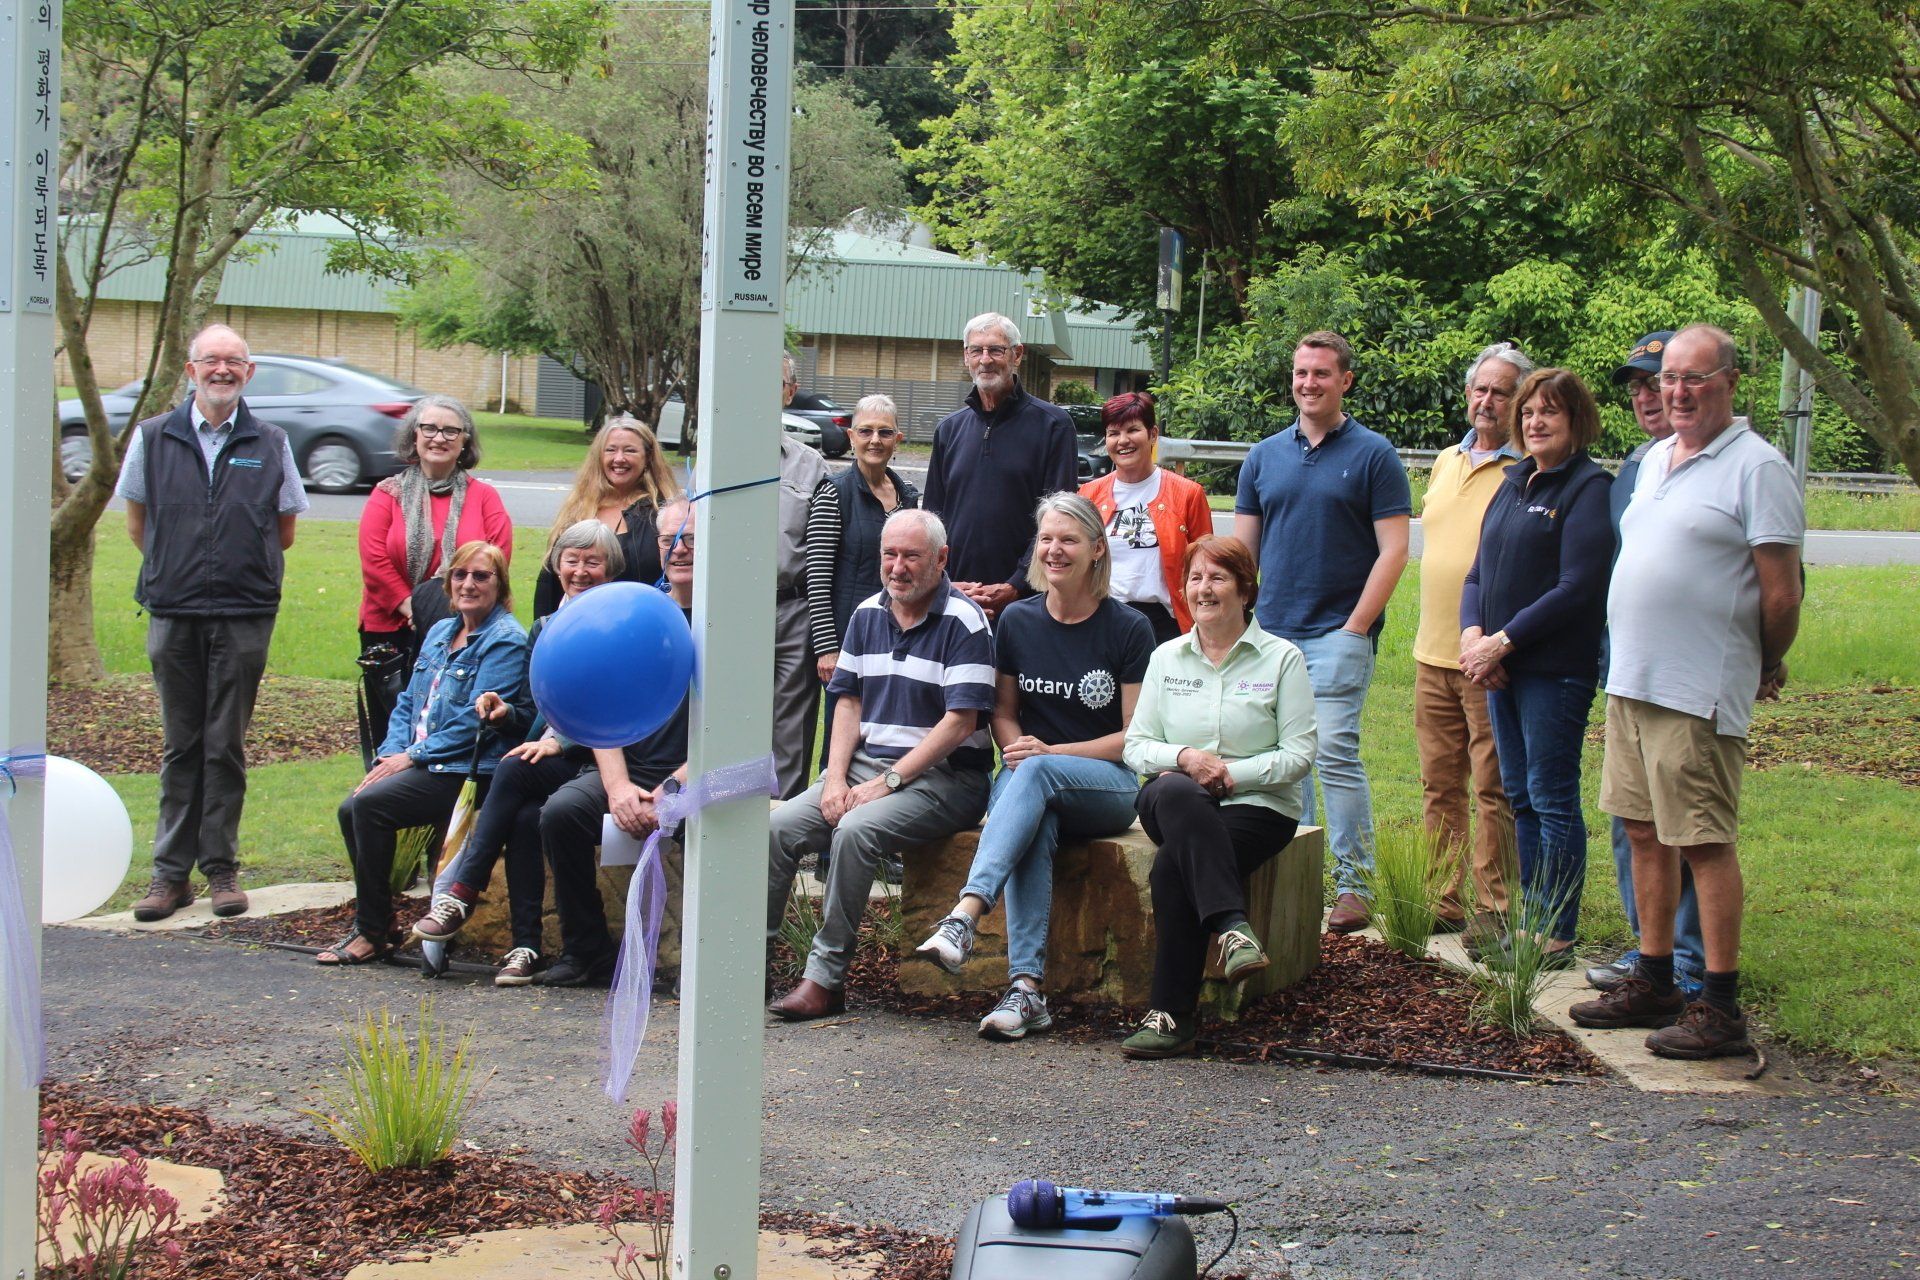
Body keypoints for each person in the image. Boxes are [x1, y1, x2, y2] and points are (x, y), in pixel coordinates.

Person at [1571, 325, 1805, 1059]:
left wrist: (1760, 661)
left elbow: (1782, 593)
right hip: (1633, 682)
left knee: (1702, 841)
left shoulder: (1758, 468)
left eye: (1695, 378)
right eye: (1669, 378)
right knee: (1642, 831)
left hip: (1696, 688)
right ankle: (1655, 977)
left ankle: (1721, 1006)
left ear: (1731, 382)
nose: (1676, 392)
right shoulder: (1656, 461)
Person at [914, 493, 1154, 1040]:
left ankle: (965, 915)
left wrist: (1047, 756)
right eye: (1046, 539)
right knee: (1034, 816)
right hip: (1031, 780)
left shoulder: (1129, 628)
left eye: (1068, 540)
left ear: (1097, 549)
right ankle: (1026, 991)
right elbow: (1002, 712)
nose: (1054, 550)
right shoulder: (1018, 622)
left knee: (1036, 778)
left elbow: (1134, 738)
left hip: (1108, 786)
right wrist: (1021, 750)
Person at [767, 509, 995, 1020]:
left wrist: (888, 781)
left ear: (940, 559)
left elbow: (960, 722)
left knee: (855, 831)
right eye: (889, 555)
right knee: (777, 828)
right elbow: (846, 702)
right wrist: (836, 778)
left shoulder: (966, 622)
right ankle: (751, 966)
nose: (898, 567)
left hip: (947, 778)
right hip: (868, 767)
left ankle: (824, 979)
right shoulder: (867, 613)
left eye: (911, 556)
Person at [117, 323, 310, 922]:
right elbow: (138, 524)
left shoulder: (271, 440)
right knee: (182, 745)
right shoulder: (153, 437)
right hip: (174, 611)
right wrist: (179, 570)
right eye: (211, 360)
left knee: (225, 744)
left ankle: (220, 869)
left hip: (244, 612)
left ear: (248, 373)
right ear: (190, 368)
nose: (222, 370)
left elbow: (284, 529)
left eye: (234, 362)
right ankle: (169, 876)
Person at [1233, 331, 1411, 935]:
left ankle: (1355, 884)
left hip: (1337, 631)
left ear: (1345, 381)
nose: (1309, 384)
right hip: (1273, 634)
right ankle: (1295, 870)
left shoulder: (1373, 455)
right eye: (1301, 373)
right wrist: (1243, 624)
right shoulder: (1264, 456)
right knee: (1282, 762)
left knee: (1334, 755)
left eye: (1322, 374)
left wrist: (1355, 626)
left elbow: (1394, 551)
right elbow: (1241, 555)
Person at [1119, 537, 1317, 1059]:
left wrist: (1229, 775)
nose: (1203, 589)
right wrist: (1187, 758)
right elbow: (1137, 747)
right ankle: (1231, 926)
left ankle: (1171, 1017)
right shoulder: (1166, 658)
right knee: (1179, 790)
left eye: (1218, 578)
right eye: (1195, 579)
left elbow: (1299, 755)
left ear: (1246, 590)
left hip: (1258, 807)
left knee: (1170, 871)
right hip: (1171, 798)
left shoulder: (1282, 659)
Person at [409, 520, 624, 985]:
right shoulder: (544, 626)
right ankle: (531, 947)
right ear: (556, 565)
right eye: (572, 560)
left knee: (512, 772)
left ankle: (464, 889)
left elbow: (614, 702)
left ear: (612, 571)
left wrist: (558, 742)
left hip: (603, 756)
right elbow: (532, 707)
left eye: (593, 562)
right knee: (527, 817)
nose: (581, 571)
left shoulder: (619, 623)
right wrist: (506, 712)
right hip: (550, 755)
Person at [1458, 369, 1614, 968]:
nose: (1536, 422)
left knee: (1552, 799)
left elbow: (1578, 588)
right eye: (1528, 414)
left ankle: (1556, 932)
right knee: (1519, 796)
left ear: (1576, 421)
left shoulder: (1587, 488)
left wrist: (1504, 641)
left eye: (1550, 412)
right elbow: (1478, 574)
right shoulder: (1514, 480)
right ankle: (1530, 919)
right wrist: (1475, 637)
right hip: (1502, 668)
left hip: (1553, 670)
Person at [321, 542, 530, 964]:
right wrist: (390, 753)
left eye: (481, 576)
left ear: (500, 586)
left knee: (369, 807)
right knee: (352, 808)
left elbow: (477, 723)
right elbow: (408, 701)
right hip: (423, 759)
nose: (468, 584)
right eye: (460, 575)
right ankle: (380, 923)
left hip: (468, 769)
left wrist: (412, 757)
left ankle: (371, 931)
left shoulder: (505, 640)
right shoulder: (439, 631)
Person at [1586, 331, 1706, 1000]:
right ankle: (1648, 955)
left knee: (1684, 823)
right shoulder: (1636, 467)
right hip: (1627, 670)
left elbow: (1776, 578)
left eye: (1655, 381)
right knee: (1632, 821)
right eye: (1637, 385)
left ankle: (1688, 962)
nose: (1647, 395)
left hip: (1689, 678)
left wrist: (1764, 657)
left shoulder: (1726, 465)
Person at [537, 498, 700, 987]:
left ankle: (697, 961)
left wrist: (671, 789)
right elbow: (598, 707)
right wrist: (618, 789)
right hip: (625, 769)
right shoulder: (631, 611)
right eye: (669, 539)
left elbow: (733, 729)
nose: (678, 549)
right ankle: (586, 952)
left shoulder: (729, 626)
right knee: (561, 813)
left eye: (690, 538)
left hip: (696, 774)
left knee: (718, 827)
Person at [1413, 345, 1528, 936]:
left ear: (1520, 401)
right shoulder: (1445, 461)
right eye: (1480, 389)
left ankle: (1494, 906)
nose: (1487, 401)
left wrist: (1502, 644)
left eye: (1502, 391)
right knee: (1439, 784)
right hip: (1432, 652)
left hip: (1487, 658)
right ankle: (1442, 896)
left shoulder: (1528, 468)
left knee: (1493, 786)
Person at [357, 395, 513, 731]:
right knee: (394, 728)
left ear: (464, 441)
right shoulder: (388, 494)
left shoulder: (484, 497)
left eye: (450, 431)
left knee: (449, 725)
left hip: (465, 628)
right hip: (391, 628)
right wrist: (415, 609)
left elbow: (497, 556)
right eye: (429, 428)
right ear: (414, 435)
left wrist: (448, 613)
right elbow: (374, 559)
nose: (438, 438)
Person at [922, 312, 1078, 618]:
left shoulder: (1053, 426)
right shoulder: (949, 430)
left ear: (1017, 355)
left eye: (996, 349)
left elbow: (1059, 521)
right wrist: (946, 583)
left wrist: (1017, 585)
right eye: (976, 350)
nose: (986, 360)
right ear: (966, 357)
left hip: (1028, 603)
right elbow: (932, 519)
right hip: (955, 598)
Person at [807, 393, 921, 775]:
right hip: (846, 643)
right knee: (843, 741)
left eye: (885, 432)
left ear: (898, 438)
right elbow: (818, 578)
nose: (875, 440)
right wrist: (826, 648)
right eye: (866, 431)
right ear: (852, 437)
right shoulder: (833, 494)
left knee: (887, 740)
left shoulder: (908, 496)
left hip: (898, 641)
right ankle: (830, 815)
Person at [1078, 392, 1214, 646]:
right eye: (1113, 433)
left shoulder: (1188, 494)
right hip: (1103, 617)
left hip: (1166, 623)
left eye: (1133, 430)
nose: (1123, 441)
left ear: (1152, 435)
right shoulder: (1088, 495)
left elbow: (1206, 567)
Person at [531, 413, 680, 617]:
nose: (619, 459)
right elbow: (549, 582)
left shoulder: (662, 514)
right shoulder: (578, 510)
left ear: (647, 458)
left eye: (630, 450)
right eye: (611, 450)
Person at [775, 353, 833, 798]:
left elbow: (823, 551)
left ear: (789, 392)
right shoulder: (716, 457)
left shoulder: (810, 465)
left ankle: (780, 843)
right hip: (729, 612)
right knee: (725, 721)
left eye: (774, 382)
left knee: (789, 730)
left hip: (792, 608)